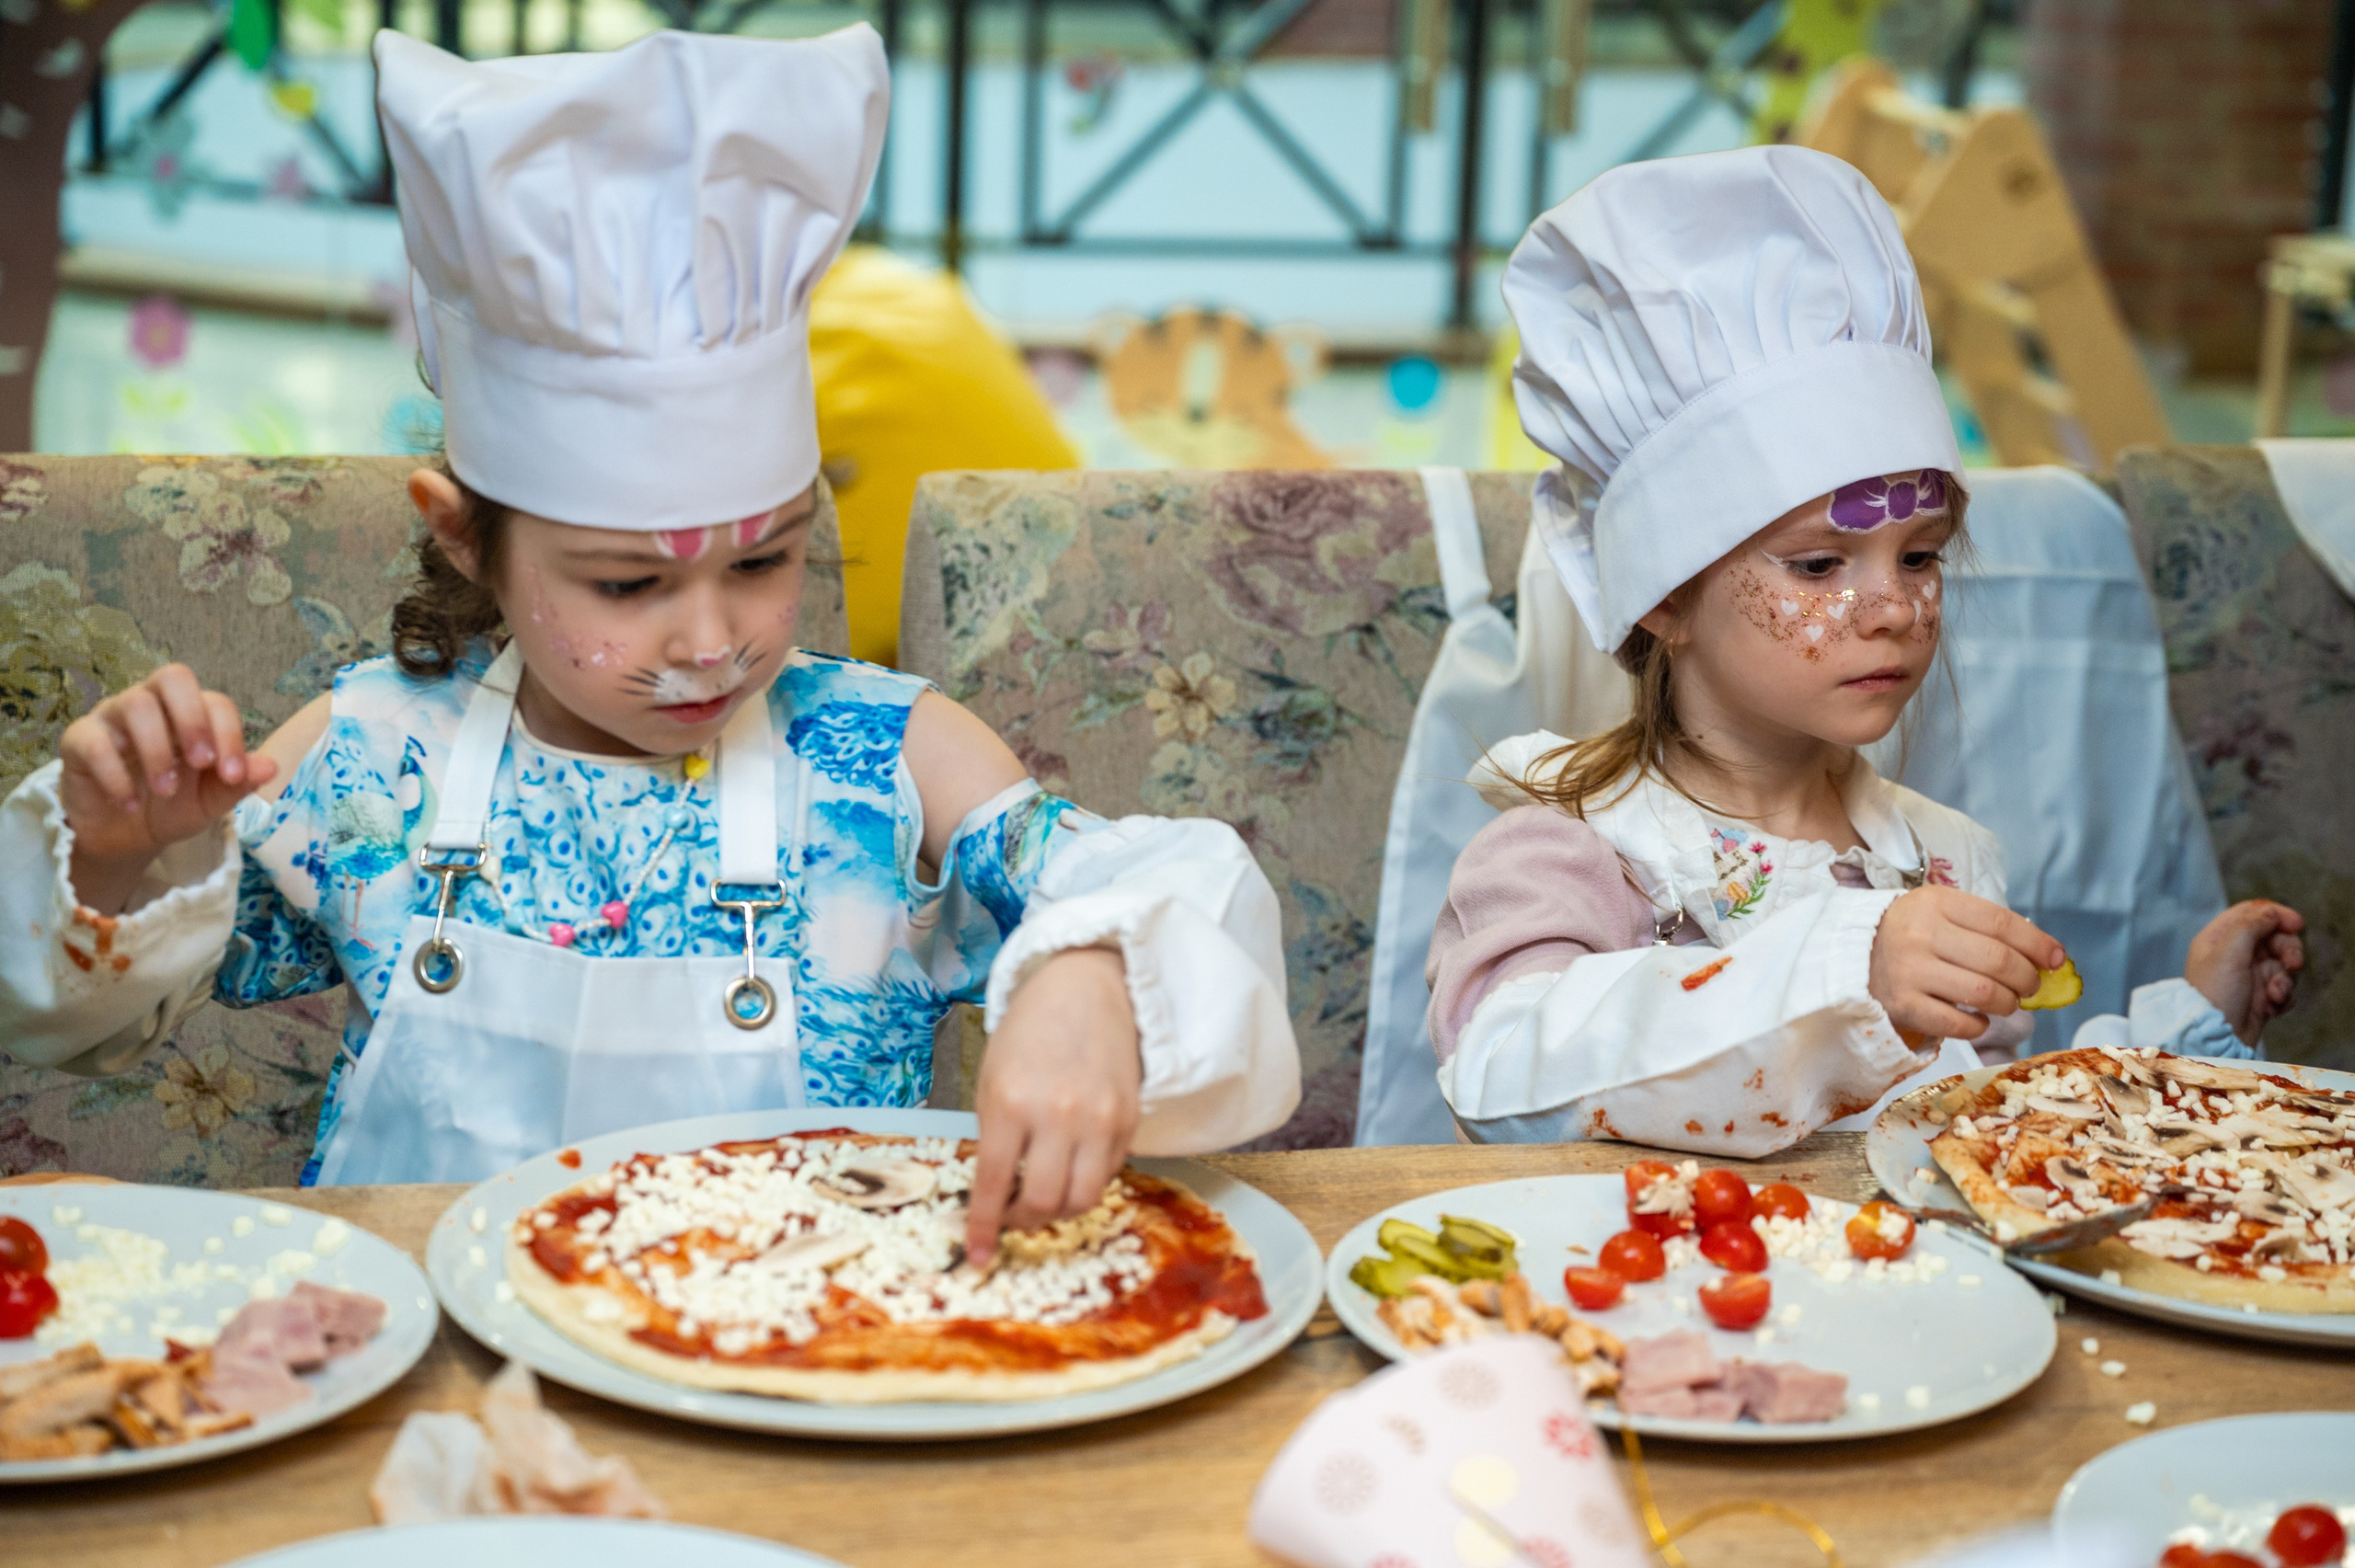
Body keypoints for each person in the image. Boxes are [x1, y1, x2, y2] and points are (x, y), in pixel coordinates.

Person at [0, 26, 1299, 1260]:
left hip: (808, 1370)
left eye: (765, 560)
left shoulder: (886, 758)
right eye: (626, 584)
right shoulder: (375, 753)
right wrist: (117, 853)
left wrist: (1090, 970)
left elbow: (1178, 883)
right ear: (463, 540)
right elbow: (90, 1024)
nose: (710, 641)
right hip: (429, 1368)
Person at [1427, 145, 2302, 1151]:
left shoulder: (1942, 862)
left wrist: (2181, 1031)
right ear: (1663, 597)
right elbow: (1499, 1080)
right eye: (1817, 566)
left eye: (1920, 555)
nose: (1891, 606)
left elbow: (1980, 1134)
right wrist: (1846, 972)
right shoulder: (1575, 844)